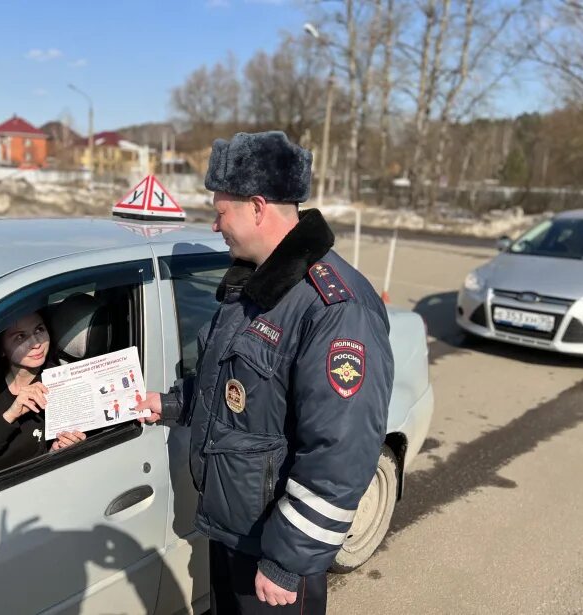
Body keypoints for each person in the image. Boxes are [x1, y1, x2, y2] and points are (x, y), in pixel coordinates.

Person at [136, 131, 394, 614]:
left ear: (257, 207)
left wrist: (287, 558)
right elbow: (241, 389)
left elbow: (341, 453)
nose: (216, 225)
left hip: (274, 545)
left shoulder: (335, 309)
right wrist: (170, 403)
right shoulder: (257, 284)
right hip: (236, 527)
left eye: (221, 211)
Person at [0, 311, 86, 482]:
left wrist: (55, 453)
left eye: (39, 330)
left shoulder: (60, 384)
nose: (36, 343)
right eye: (20, 337)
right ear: (1, 349)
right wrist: (10, 415)